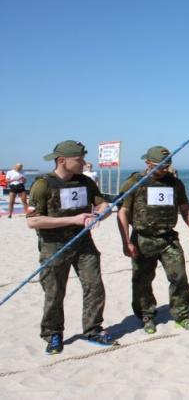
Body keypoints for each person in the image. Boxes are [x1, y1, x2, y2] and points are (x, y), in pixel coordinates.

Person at [26, 140, 117, 355]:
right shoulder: (43, 185)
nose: (84, 163)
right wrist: (73, 220)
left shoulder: (85, 182)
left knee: (94, 286)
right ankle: (53, 334)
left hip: (83, 243)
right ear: (62, 161)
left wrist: (100, 214)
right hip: (54, 245)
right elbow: (33, 221)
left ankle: (93, 329)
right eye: (79, 159)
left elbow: (103, 205)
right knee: (54, 292)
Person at [116, 146, 189, 333]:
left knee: (178, 276)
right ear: (148, 163)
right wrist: (126, 241)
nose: (164, 170)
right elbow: (123, 211)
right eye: (159, 167)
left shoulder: (175, 183)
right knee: (142, 280)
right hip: (143, 238)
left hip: (168, 237)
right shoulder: (134, 182)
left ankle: (181, 314)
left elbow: (185, 208)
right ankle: (146, 315)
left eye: (166, 167)